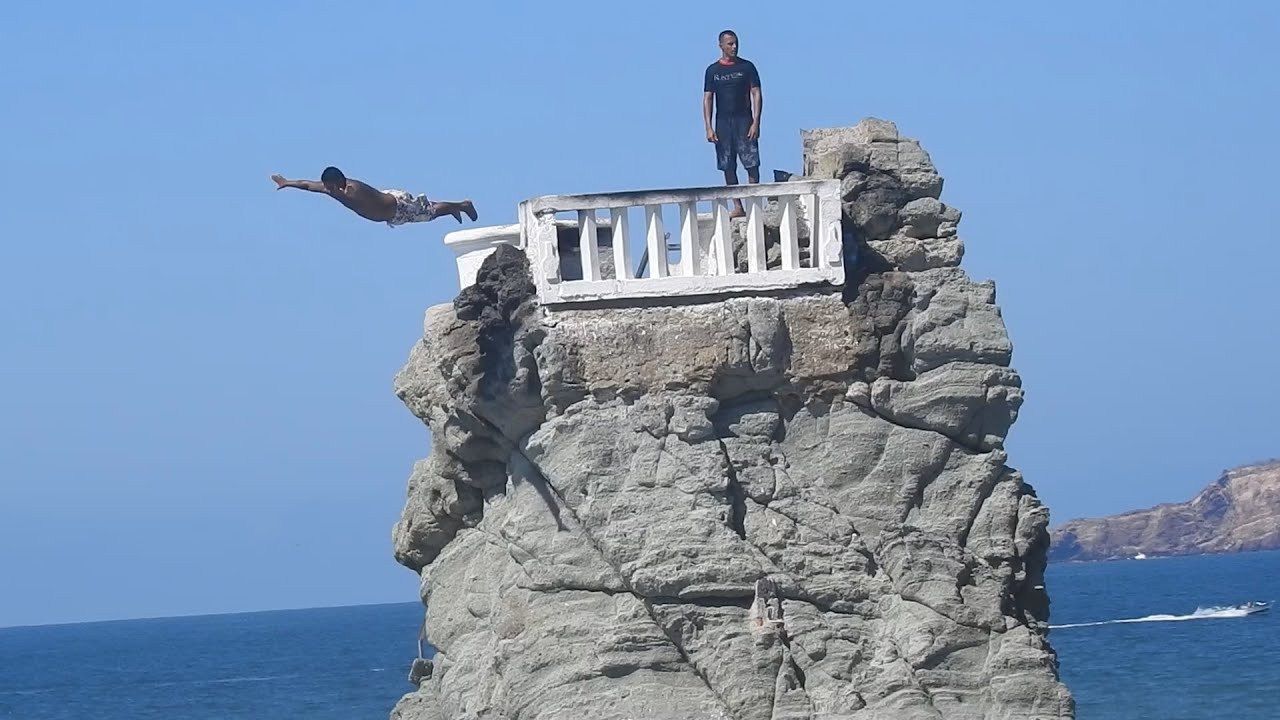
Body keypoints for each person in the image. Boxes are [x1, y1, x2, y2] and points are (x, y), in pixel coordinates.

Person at [271, 167, 477, 227]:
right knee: (428, 212)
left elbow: (354, 200)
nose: (326, 190)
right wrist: (286, 182)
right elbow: (307, 184)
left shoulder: (354, 191)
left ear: (338, 184)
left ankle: (461, 205)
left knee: (429, 212)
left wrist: (338, 195)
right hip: (391, 214)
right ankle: (453, 208)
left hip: (398, 206)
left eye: (329, 186)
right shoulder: (333, 189)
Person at [702, 30, 762, 218]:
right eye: (730, 44)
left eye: (736, 43)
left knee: (751, 163)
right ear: (721, 45)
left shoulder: (747, 67)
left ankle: (753, 203)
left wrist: (756, 122)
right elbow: (708, 98)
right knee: (727, 165)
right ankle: (738, 206)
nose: (734, 47)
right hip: (723, 122)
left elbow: (756, 93)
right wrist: (708, 126)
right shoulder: (713, 70)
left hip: (744, 119)